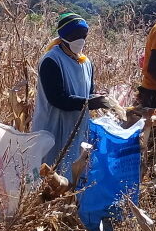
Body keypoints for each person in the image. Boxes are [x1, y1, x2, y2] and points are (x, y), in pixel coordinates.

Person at [31, 13, 111, 176]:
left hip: (76, 127)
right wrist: (89, 103)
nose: (80, 40)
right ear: (64, 36)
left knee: (71, 172)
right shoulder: (51, 61)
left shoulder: (86, 63)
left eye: (83, 36)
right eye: (75, 36)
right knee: (49, 172)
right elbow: (57, 98)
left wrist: (97, 97)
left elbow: (88, 93)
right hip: (52, 125)